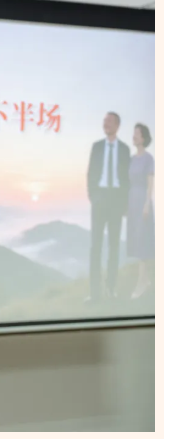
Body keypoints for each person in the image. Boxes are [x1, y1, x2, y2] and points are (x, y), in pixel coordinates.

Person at [86, 112, 131, 302]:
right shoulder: (96, 147)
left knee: (113, 247)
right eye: (104, 121)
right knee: (95, 247)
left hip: (116, 201)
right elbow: (90, 174)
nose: (106, 124)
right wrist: (93, 197)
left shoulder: (124, 149)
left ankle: (111, 289)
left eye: (109, 121)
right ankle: (94, 293)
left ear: (117, 125)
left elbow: (127, 178)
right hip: (100, 199)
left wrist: (125, 204)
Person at [127, 123, 155, 299]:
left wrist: (146, 204)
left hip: (142, 201)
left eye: (137, 133)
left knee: (142, 240)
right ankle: (145, 279)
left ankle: (142, 282)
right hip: (132, 201)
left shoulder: (148, 158)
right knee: (136, 240)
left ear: (143, 138)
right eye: (134, 133)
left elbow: (150, 184)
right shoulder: (131, 159)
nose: (134, 136)